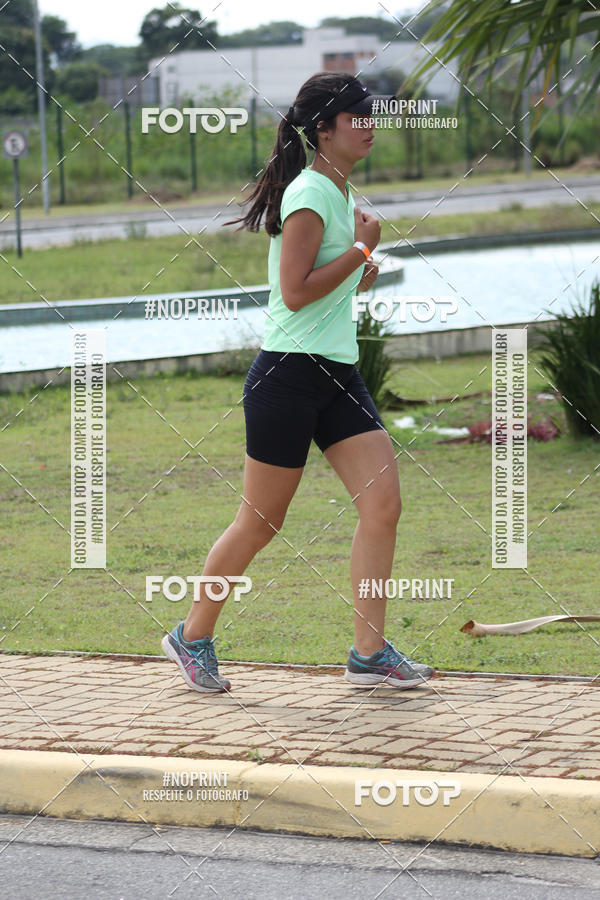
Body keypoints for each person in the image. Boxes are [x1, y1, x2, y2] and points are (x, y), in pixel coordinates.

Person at [162, 72, 435, 692]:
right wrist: (363, 254)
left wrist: (355, 268)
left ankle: (369, 653)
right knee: (260, 521)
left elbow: (323, 285)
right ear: (323, 130)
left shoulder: (337, 192)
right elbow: (294, 291)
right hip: (288, 375)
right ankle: (192, 634)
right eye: (356, 118)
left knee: (383, 505)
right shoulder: (310, 193)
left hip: (335, 373)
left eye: (372, 116)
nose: (369, 127)